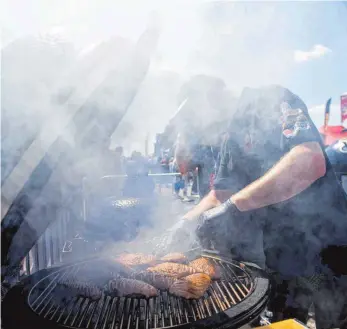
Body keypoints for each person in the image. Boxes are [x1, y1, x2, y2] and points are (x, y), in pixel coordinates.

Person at [168, 85, 347, 329]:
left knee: (332, 318)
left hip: (327, 245)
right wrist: (186, 221)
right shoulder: (230, 138)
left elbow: (309, 160)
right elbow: (221, 193)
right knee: (285, 320)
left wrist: (233, 207)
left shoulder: (272, 100)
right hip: (282, 252)